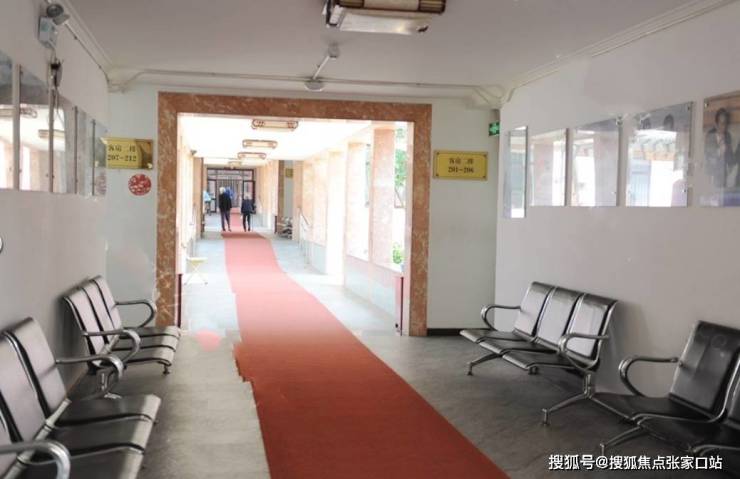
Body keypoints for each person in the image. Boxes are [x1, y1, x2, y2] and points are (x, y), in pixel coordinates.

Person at [704, 108, 734, 188]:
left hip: (724, 174)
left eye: (726, 123)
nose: (724, 126)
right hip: (712, 174)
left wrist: (731, 165)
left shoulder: (728, 135)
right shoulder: (710, 135)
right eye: (722, 123)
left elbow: (730, 156)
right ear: (716, 124)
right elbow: (708, 155)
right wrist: (720, 151)